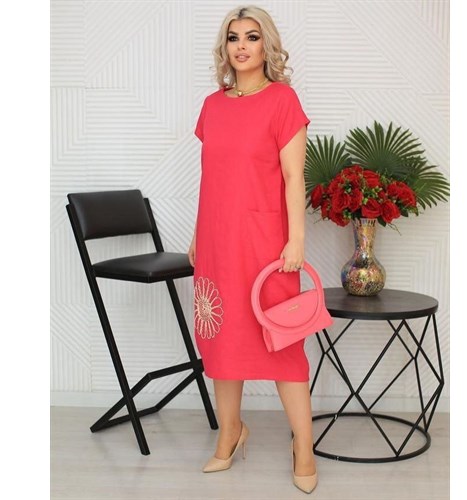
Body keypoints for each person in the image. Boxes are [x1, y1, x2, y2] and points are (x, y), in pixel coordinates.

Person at [188, 5, 317, 494]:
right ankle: (230, 433)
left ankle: (303, 446)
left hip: (266, 244)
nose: (241, 46)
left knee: (282, 344)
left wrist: (296, 239)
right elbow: (212, 177)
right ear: (225, 47)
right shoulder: (212, 106)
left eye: (252, 37)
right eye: (234, 37)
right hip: (217, 240)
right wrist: (198, 235)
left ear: (267, 46)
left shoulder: (282, 100)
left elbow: (293, 177)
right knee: (222, 341)